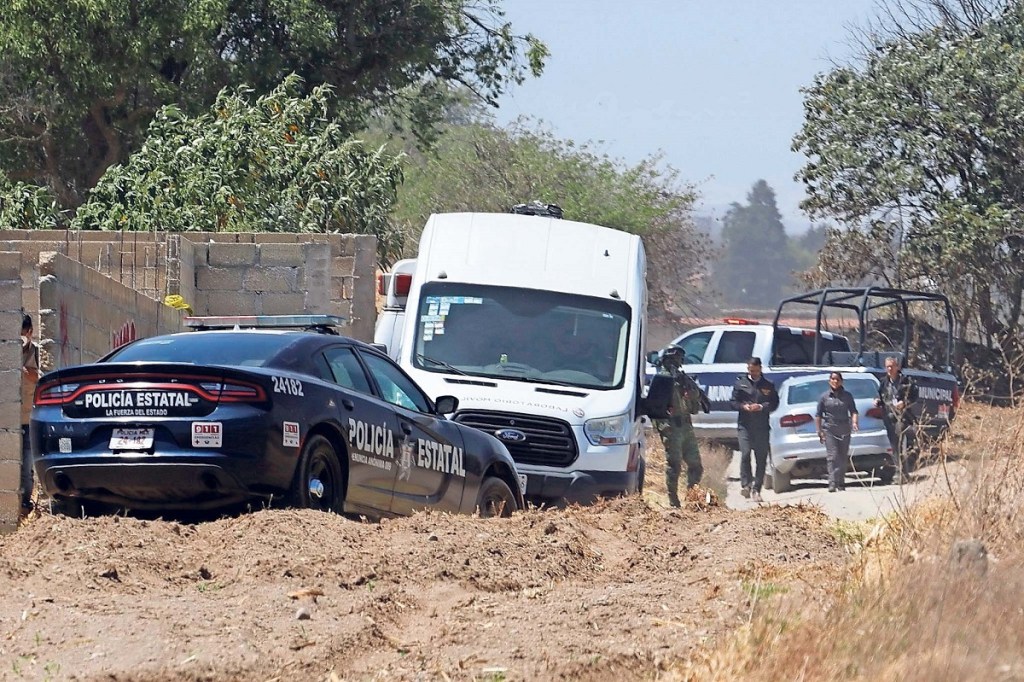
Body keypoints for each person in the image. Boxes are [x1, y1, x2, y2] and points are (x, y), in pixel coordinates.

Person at [653, 347, 705, 507]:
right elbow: (654, 408)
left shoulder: (682, 379)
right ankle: (673, 500)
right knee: (674, 465)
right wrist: (663, 428)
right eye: (675, 359)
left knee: (696, 466)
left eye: (679, 360)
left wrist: (690, 391)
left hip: (686, 427)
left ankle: (692, 497)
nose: (678, 363)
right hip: (671, 427)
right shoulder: (661, 379)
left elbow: (695, 402)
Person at [730, 356, 779, 503]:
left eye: (756, 371)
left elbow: (775, 403)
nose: (754, 373)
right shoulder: (740, 384)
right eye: (752, 371)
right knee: (745, 454)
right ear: (748, 369)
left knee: (761, 459)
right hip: (744, 426)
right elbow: (733, 402)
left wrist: (762, 407)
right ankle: (746, 484)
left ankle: (756, 489)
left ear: (761, 369)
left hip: (762, 427)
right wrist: (743, 407)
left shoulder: (768, 385)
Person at [876, 355, 919, 482]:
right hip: (889, 417)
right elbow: (880, 396)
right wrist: (878, 401)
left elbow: (914, 396)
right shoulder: (883, 382)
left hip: (902, 417)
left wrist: (904, 403)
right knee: (895, 446)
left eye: (892, 366)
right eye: (887, 366)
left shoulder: (905, 381)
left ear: (897, 367)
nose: (889, 369)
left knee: (901, 444)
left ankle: (902, 473)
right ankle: (901, 473)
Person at [815, 372, 859, 493]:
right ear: (829, 381)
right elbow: (818, 415)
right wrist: (819, 431)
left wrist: (855, 422)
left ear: (841, 381)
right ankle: (832, 483)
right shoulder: (824, 397)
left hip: (844, 429)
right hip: (830, 429)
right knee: (832, 456)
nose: (835, 381)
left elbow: (854, 411)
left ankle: (841, 482)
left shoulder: (848, 396)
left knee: (842, 457)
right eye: (833, 379)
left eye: (837, 379)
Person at [20, 313, 39, 513]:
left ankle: (26, 503)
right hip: (9, 420)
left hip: (27, 418)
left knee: (26, 467)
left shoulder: (35, 352)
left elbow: (36, 376)